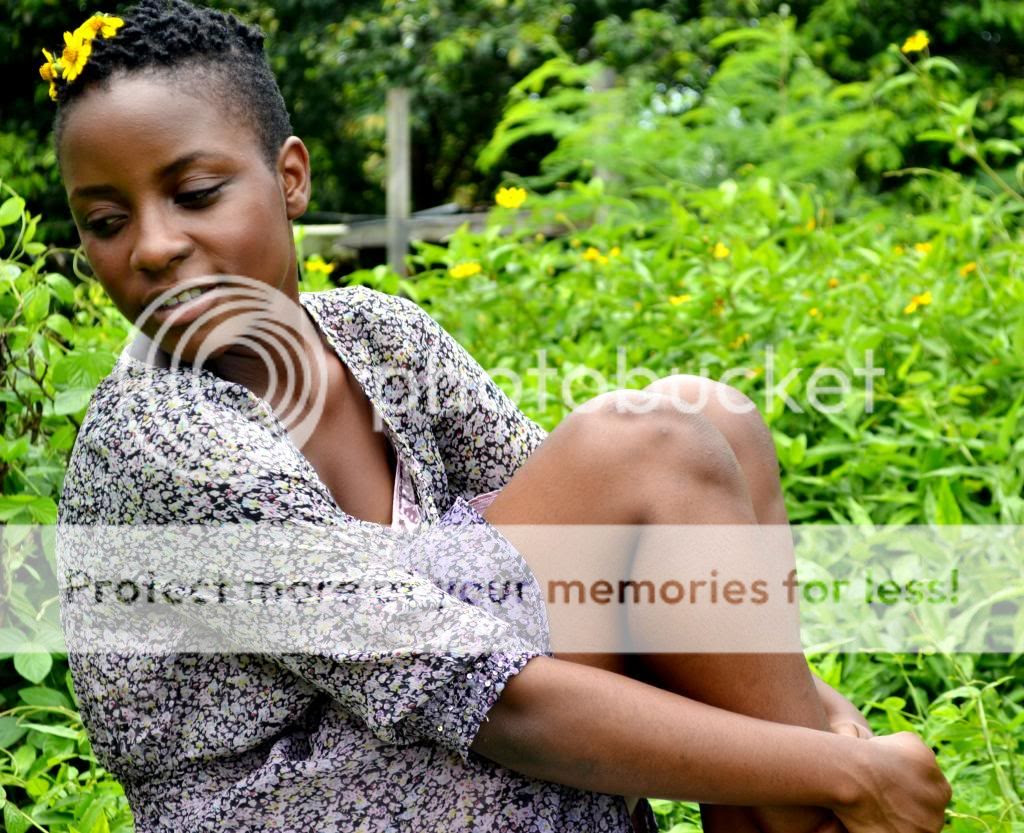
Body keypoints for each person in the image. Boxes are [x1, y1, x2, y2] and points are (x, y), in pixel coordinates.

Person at [48, 1, 951, 831]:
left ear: (290, 178)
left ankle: (800, 805)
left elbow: (617, 545)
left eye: (195, 193)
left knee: (714, 420)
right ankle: (820, 810)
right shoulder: (162, 441)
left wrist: (815, 713)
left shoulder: (376, 334)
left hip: (436, 729)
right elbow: (489, 696)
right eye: (106, 221)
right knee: (651, 445)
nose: (154, 246)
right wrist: (838, 767)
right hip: (297, 797)